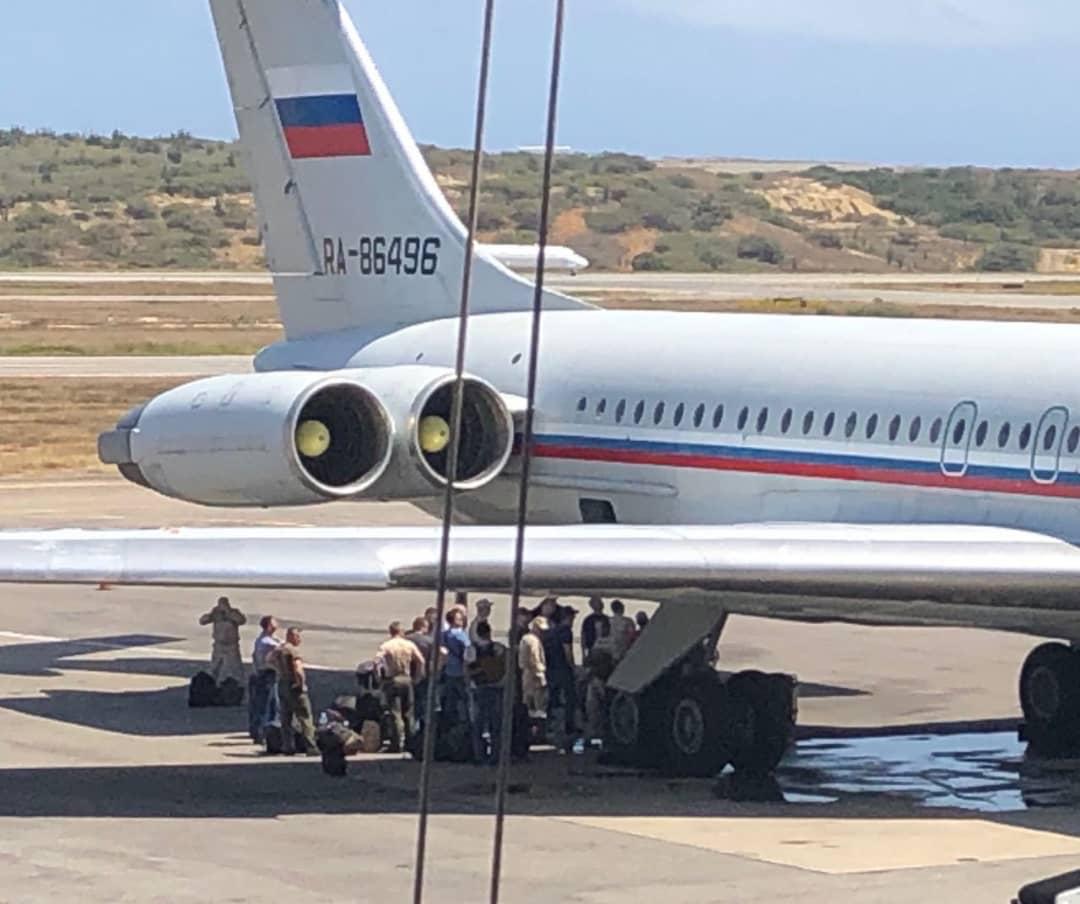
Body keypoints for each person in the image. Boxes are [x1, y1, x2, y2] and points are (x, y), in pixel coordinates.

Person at [376, 621, 426, 753]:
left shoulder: (386, 646)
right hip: (407, 678)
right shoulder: (409, 645)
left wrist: (379, 677)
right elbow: (421, 661)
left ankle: (397, 743)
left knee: (395, 712)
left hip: (393, 679)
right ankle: (411, 742)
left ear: (391, 632)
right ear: (402, 632)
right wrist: (418, 677)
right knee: (409, 712)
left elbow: (377, 661)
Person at [466, 620, 507, 764]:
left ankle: (479, 755)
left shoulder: (471, 649)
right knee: (496, 724)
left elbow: (467, 670)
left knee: (478, 724)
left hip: (478, 689)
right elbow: (505, 667)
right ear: (490, 632)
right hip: (496, 688)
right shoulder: (499, 648)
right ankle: (496, 756)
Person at [272, 627, 318, 755]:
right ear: (291, 636)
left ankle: (288, 746)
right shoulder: (293, 651)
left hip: (282, 683)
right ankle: (311, 746)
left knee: (286, 718)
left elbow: (268, 659)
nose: (299, 639)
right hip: (293, 684)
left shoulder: (279, 649)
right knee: (305, 717)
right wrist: (301, 683)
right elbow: (298, 669)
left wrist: (279, 670)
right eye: (297, 636)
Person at [544, 607, 578, 750]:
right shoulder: (566, 631)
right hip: (563, 670)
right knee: (569, 701)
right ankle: (568, 730)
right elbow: (567, 651)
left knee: (554, 700)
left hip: (551, 671)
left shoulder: (550, 633)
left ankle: (553, 728)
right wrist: (574, 667)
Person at [199, 596, 246, 686]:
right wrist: (211, 615)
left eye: (224, 604)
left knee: (236, 667)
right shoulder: (216, 613)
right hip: (219, 645)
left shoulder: (234, 613)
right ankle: (211, 685)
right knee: (214, 667)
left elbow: (241, 620)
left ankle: (240, 685)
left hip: (231, 646)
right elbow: (202, 621)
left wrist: (228, 613)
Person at [248, 614, 281, 743]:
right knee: (266, 705)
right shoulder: (266, 642)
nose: (277, 625)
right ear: (268, 626)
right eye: (274, 623)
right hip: (266, 675)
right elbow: (282, 648)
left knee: (272, 704)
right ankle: (262, 732)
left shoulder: (268, 639)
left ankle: (267, 731)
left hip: (267, 674)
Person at [441, 608, 472, 724]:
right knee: (465, 699)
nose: (462, 620)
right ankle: (465, 723)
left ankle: (449, 722)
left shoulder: (444, 635)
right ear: (453, 621)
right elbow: (468, 654)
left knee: (450, 700)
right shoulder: (461, 636)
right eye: (459, 618)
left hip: (449, 671)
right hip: (461, 672)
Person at [519, 617, 548, 731]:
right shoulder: (533, 641)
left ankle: (527, 727)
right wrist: (540, 674)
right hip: (534, 675)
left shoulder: (525, 638)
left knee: (527, 701)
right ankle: (537, 729)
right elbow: (534, 659)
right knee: (538, 706)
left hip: (526, 673)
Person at [581, 597, 609, 662]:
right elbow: (583, 636)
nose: (602, 604)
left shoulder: (607, 619)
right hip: (592, 649)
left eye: (601, 603)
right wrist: (583, 653)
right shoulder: (588, 620)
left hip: (605, 649)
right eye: (599, 603)